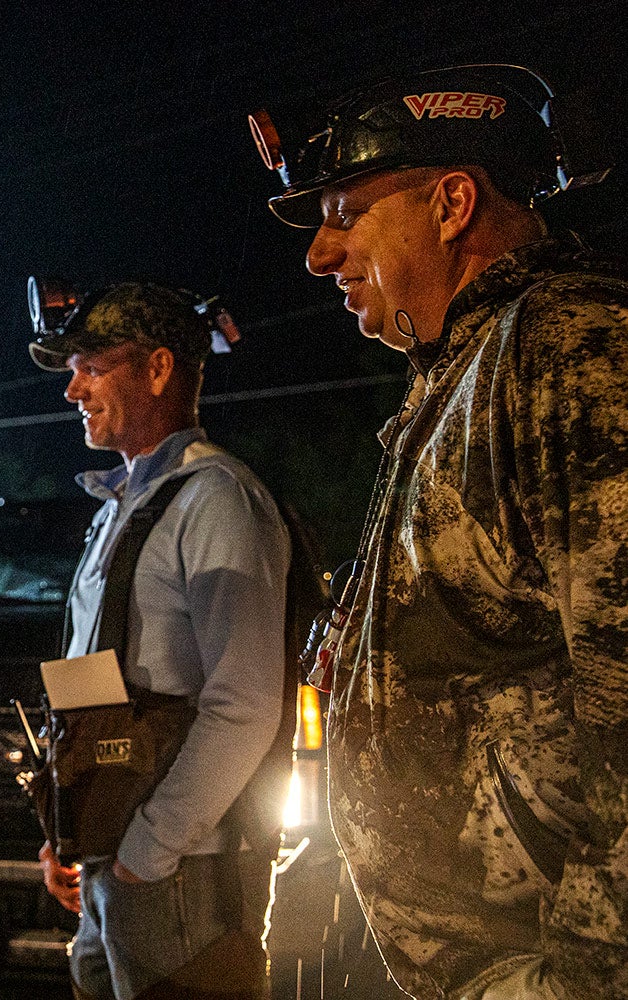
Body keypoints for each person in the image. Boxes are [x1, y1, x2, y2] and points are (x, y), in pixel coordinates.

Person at [251, 64, 628, 999]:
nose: (319, 256)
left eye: (346, 213)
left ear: (454, 202)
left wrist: (583, 975)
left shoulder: (568, 350)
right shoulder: (463, 371)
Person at [28, 281, 290, 999]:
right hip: (114, 860)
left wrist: (147, 852)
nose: (73, 388)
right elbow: (92, 680)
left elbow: (244, 704)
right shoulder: (123, 506)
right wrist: (71, 831)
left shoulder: (216, 500)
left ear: (159, 369)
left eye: (92, 364)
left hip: (182, 875)